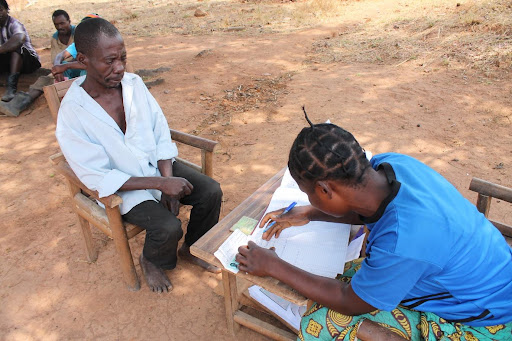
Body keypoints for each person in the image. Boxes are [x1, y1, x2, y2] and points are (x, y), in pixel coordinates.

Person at [235, 110, 512, 340]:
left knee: (325, 320)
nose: (308, 200)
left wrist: (274, 265)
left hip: (486, 316)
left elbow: (350, 302)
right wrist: (311, 212)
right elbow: (369, 211)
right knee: (334, 276)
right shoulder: (391, 165)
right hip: (489, 272)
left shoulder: (402, 244)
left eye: (308, 194)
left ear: (325, 190)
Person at [55, 18, 222, 293]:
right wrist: (159, 185)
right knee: (168, 227)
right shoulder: (73, 112)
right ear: (83, 60)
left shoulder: (134, 84)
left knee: (211, 191)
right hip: (122, 187)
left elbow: (159, 132)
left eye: (122, 58)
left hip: (156, 166)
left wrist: (167, 180)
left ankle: (192, 248)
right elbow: (97, 175)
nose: (119, 68)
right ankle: (151, 260)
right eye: (109, 61)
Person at [0, 0, 40, 102]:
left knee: (17, 47)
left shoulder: (14, 23)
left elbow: (19, 39)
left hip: (29, 61)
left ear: (7, 10)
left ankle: (11, 88)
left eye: (0, 10)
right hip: (10, 62)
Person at [52, 13, 100, 82]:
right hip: (83, 72)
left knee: (87, 72)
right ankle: (63, 88)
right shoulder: (82, 43)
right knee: (62, 66)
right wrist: (57, 69)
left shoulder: (102, 44)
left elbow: (89, 64)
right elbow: (60, 55)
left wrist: (65, 66)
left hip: (100, 75)